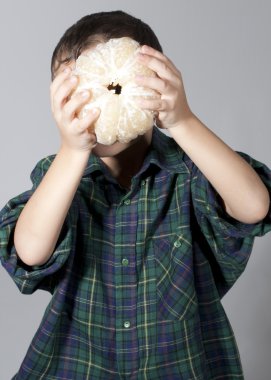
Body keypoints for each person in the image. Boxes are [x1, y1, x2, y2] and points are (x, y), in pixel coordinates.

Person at [0, 10, 270, 380]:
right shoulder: (59, 176)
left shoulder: (191, 171)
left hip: (181, 365)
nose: (94, 105)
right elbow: (30, 252)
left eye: (110, 88)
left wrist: (182, 119)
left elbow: (254, 207)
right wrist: (73, 150)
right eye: (77, 94)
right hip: (79, 365)